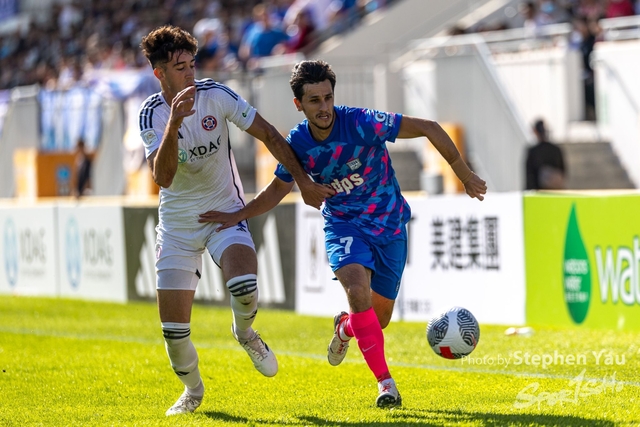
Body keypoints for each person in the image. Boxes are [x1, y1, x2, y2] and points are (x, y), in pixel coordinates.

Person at [199, 60, 487, 408]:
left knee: (377, 320)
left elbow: (429, 127)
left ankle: (346, 328)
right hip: (343, 225)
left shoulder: (362, 123)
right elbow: (277, 189)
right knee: (356, 290)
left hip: (390, 226)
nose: (324, 107)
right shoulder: (298, 143)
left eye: (328, 98)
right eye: (314, 100)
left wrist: (464, 174)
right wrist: (238, 215)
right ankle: (386, 384)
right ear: (299, 104)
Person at [137, 27, 333, 417]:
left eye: (191, 63)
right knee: (174, 335)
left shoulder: (217, 95)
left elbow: (270, 136)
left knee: (243, 284)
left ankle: (244, 332)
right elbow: (164, 178)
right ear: (160, 73)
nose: (190, 72)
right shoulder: (151, 114)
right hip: (177, 228)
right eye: (180, 67)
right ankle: (193, 391)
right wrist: (174, 124)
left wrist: (303, 181)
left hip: (224, 214)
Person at [525, 118, 566, 190]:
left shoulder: (533, 152)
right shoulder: (556, 150)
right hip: (555, 191)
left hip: (538, 192)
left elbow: (529, 176)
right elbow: (563, 171)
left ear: (535, 131)